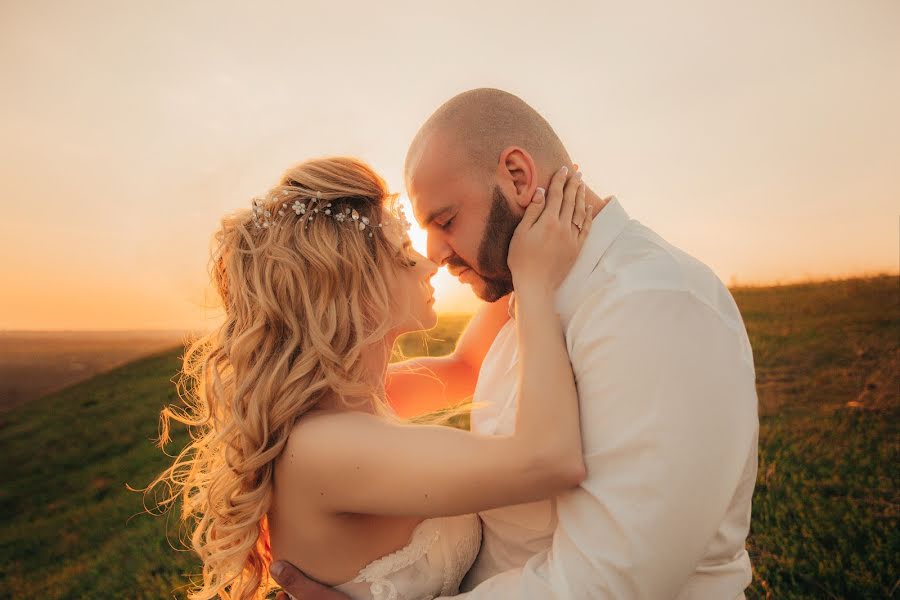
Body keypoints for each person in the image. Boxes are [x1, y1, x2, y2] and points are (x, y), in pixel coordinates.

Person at [271, 89, 760, 599]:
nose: (433, 254)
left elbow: (606, 584)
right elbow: (462, 371)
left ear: (518, 177)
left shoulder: (655, 305)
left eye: (446, 220)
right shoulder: (524, 289)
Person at [148, 155, 593, 599]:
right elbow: (550, 460)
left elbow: (468, 367)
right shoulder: (325, 447)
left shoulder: (350, 399)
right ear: (351, 289)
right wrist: (535, 281)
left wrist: (525, 226)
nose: (428, 264)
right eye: (403, 255)